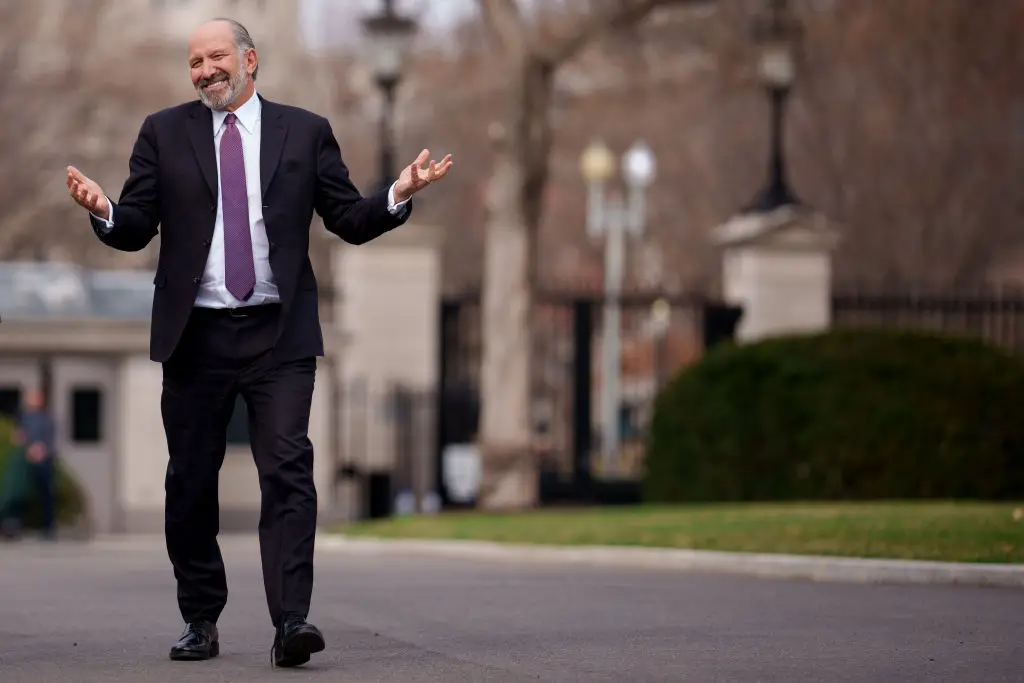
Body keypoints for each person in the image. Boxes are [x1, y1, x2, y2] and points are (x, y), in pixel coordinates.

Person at [65, 17, 451, 668]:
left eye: (216, 56)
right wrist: (103, 207)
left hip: (279, 332)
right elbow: (134, 225)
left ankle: (291, 620)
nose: (205, 70)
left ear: (249, 60)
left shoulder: (305, 132)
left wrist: (397, 194)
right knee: (189, 482)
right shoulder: (163, 134)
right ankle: (200, 616)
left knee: (288, 471)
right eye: (194, 62)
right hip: (196, 335)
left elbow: (348, 219)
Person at [0, 388, 57, 541]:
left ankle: (48, 528)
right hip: (25, 462)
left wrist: (41, 450)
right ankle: (13, 526)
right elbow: (19, 436)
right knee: (19, 494)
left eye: (37, 398)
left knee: (46, 494)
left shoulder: (47, 418)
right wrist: (25, 445)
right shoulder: (24, 418)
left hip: (43, 460)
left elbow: (51, 438)